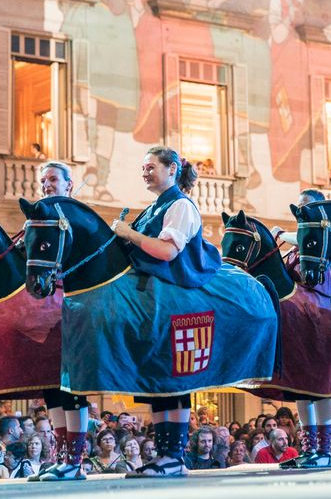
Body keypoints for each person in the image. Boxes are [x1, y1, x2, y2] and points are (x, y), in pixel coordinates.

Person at [110, 146, 223, 477]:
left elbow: (167, 251)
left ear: (172, 168)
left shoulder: (181, 207)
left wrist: (128, 232)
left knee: (173, 375)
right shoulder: (154, 207)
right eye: (143, 167)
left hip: (176, 295)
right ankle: (165, 456)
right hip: (153, 294)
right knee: (159, 377)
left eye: (151, 166)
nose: (144, 172)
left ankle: (174, 457)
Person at [35, 160, 93, 481]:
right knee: (50, 386)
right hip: (46, 309)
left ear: (69, 185)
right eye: (43, 180)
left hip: (75, 304)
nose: (47, 184)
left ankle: (74, 461)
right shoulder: (39, 217)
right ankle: (61, 457)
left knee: (73, 385)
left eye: (53, 179)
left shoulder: (78, 217)